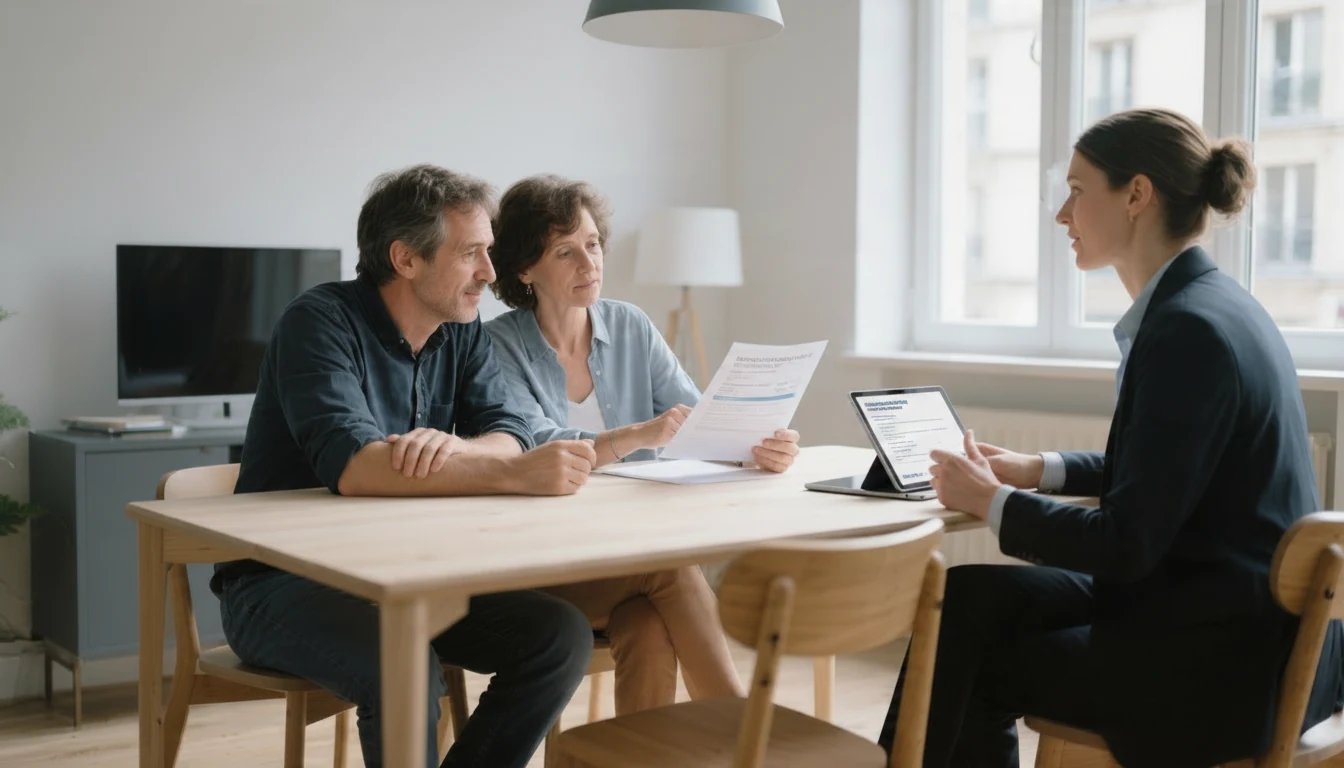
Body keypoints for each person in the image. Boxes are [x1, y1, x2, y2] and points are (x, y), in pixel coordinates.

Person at [878, 108, 1344, 767]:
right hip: (1234, 621)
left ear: (1136, 195)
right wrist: (1034, 470)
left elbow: (1125, 544)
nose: (1061, 216)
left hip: (1218, 673)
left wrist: (989, 502)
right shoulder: (1215, 304)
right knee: (967, 600)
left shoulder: (1188, 333)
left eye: (1075, 190)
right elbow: (1166, 472)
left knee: (971, 661)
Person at [210, 164, 600, 768]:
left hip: (409, 574)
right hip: (280, 585)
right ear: (406, 259)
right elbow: (358, 469)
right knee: (405, 664)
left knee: (560, 635)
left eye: (489, 252)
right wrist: (508, 473)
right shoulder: (317, 323)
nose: (490, 274)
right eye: (471, 253)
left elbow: (511, 431)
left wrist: (467, 451)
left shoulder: (462, 330)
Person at [483, 174, 800, 713]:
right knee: (670, 567)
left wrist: (758, 444)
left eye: (593, 244)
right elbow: (535, 445)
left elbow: (701, 422)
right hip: (543, 571)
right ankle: (741, 732)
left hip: (626, 558)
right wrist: (638, 435)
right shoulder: (496, 346)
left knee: (650, 627)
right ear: (523, 267)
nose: (589, 264)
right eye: (565, 252)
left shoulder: (630, 325)